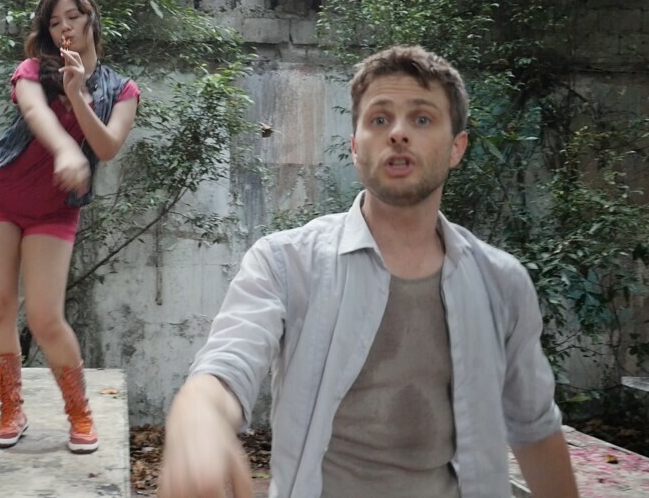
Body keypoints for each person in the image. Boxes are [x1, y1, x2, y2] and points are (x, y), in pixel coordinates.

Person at [158, 46, 579, 497]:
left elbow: (535, 428)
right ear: (356, 147)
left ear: (457, 147)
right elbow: (227, 364)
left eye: (422, 119)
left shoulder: (501, 282)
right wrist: (198, 413)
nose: (398, 133)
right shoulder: (286, 263)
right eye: (379, 119)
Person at [0, 0, 140, 454]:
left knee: (45, 318)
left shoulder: (122, 90)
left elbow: (106, 147)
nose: (64, 26)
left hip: (53, 210)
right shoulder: (31, 70)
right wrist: (65, 148)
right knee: (0, 308)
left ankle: (79, 413)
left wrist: (77, 93)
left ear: (91, 19)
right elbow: (33, 110)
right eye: (54, 21)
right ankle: (11, 410)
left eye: (73, 16)